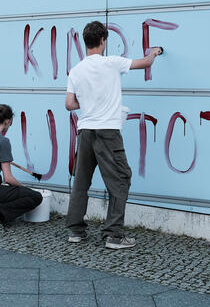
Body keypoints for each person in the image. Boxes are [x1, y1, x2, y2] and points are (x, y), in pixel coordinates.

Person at [64, 20, 162, 249]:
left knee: (81, 182)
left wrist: (88, 102)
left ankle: (76, 231)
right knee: (120, 179)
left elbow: (69, 104)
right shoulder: (112, 62)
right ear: (102, 41)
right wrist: (154, 52)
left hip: (85, 131)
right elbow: (146, 62)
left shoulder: (76, 71)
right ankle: (114, 235)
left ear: (85, 42)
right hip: (108, 131)